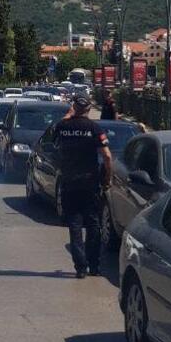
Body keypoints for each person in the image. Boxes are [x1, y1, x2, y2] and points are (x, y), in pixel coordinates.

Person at [52, 96, 113, 278]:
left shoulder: (63, 126)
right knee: (93, 224)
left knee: (75, 225)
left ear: (74, 108)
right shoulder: (94, 128)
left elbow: (54, 135)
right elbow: (107, 156)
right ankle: (94, 266)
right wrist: (107, 178)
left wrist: (68, 115)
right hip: (90, 182)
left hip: (69, 182)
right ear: (88, 109)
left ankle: (80, 267)